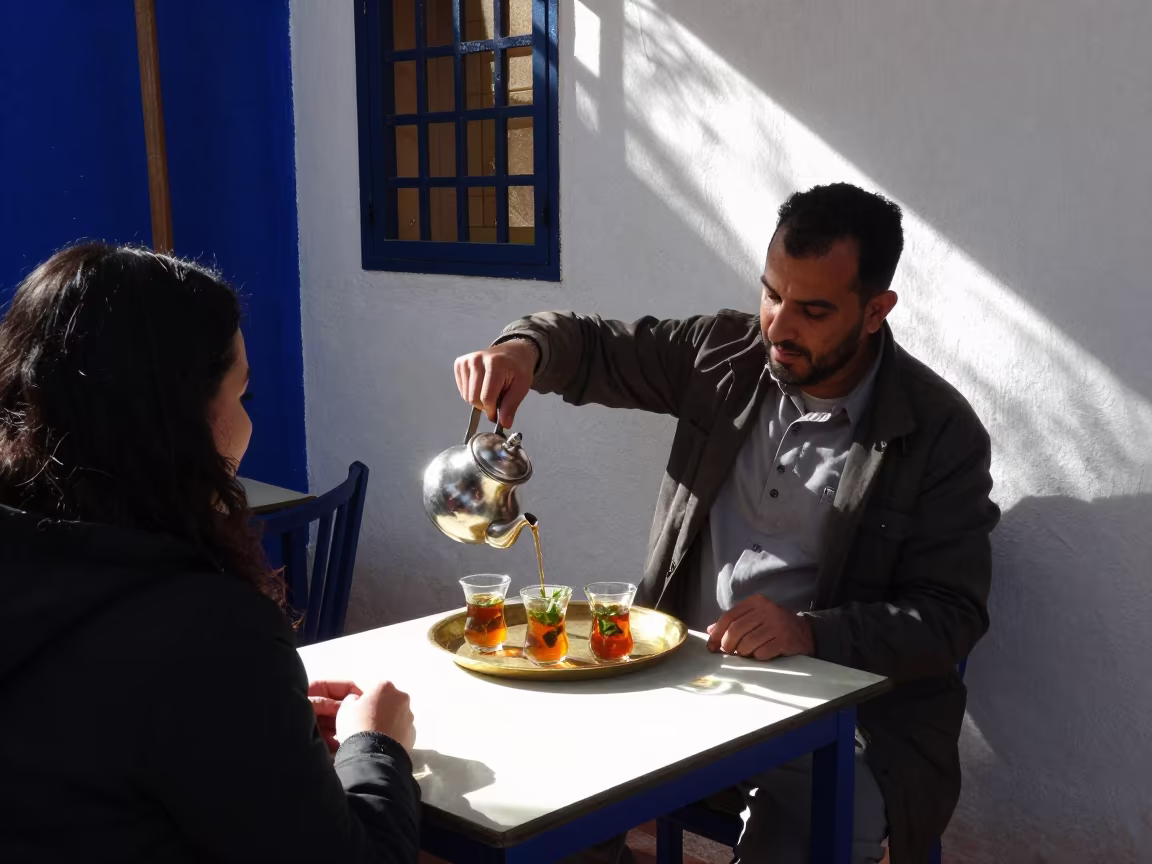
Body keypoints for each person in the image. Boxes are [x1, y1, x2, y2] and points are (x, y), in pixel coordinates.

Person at [454, 184, 999, 864]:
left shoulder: (938, 430)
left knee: (809, 825)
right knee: (547, 793)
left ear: (874, 312)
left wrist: (811, 631)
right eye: (771, 294)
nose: (778, 326)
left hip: (845, 717)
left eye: (813, 310)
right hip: (679, 675)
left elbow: (949, 615)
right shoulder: (725, 354)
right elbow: (592, 347)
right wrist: (521, 350)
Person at [0, 244, 420, 862]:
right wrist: (378, 746)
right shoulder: (206, 628)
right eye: (240, 396)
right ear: (178, 418)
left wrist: (249, 719)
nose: (247, 426)